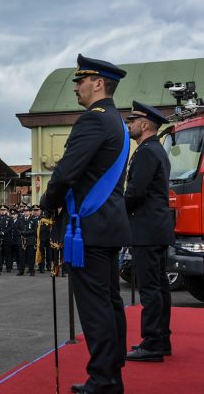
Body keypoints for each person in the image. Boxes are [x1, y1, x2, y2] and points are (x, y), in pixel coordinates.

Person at [40, 54, 130, 394]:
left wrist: (47, 202)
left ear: (98, 83)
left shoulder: (93, 120)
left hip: (88, 228)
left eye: (81, 81)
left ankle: (104, 381)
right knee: (110, 302)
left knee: (95, 309)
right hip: (108, 225)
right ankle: (112, 374)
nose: (76, 87)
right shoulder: (117, 121)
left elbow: (66, 172)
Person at [124, 101, 174, 362]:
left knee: (150, 288)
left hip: (146, 229)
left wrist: (116, 212)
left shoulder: (146, 152)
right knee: (160, 286)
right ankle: (162, 339)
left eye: (132, 121)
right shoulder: (156, 150)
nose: (129, 126)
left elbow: (135, 192)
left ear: (145, 125)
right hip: (156, 228)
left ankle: (152, 343)